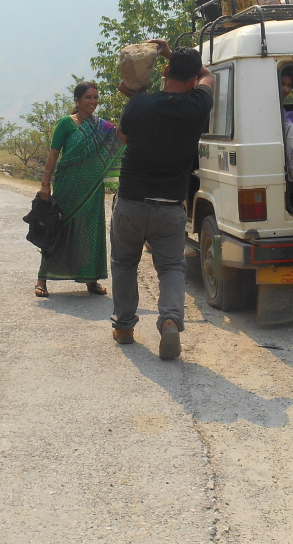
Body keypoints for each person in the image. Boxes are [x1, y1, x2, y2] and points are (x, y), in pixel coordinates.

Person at [110, 40, 214, 359]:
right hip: (170, 206)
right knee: (171, 267)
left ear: (164, 72)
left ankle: (125, 327)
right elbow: (207, 73)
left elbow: (124, 138)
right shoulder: (199, 104)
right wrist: (173, 53)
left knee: (124, 263)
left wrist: (159, 65)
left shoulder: (139, 104)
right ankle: (170, 320)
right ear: (193, 79)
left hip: (130, 201)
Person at [35, 81, 123, 297]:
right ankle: (42, 279)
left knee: (90, 231)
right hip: (67, 185)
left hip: (93, 188)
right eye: (88, 97)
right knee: (57, 228)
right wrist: (45, 185)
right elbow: (54, 154)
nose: (93, 101)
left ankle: (90, 279)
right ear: (77, 100)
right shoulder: (66, 123)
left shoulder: (102, 126)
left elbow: (121, 139)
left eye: (95, 97)